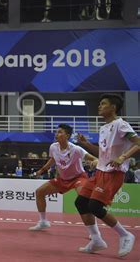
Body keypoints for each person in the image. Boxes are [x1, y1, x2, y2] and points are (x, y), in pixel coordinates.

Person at [75, 94, 139, 257]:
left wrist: (123, 157)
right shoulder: (103, 128)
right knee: (81, 202)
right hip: (100, 171)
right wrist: (86, 144)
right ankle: (96, 240)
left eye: (103, 104)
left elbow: (138, 143)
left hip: (113, 173)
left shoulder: (121, 124)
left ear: (113, 108)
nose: (99, 106)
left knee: (95, 206)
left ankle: (126, 235)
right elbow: (102, 153)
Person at [29, 124, 99, 231]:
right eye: (57, 132)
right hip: (63, 179)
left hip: (78, 178)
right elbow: (52, 159)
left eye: (60, 132)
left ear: (67, 135)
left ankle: (94, 231)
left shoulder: (76, 149)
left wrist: (95, 161)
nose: (57, 134)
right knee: (39, 192)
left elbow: (92, 158)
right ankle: (43, 222)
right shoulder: (53, 147)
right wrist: (42, 170)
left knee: (84, 200)